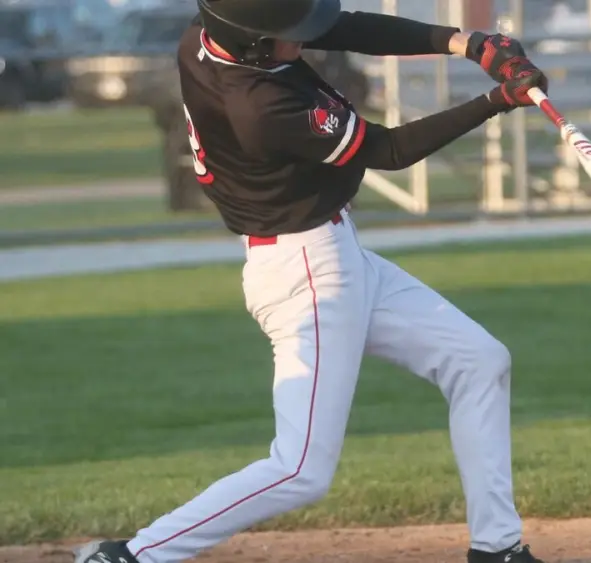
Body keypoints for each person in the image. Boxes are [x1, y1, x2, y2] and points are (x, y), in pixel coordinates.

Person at [70, 2, 549, 563]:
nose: (304, 42)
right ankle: (135, 556)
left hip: (336, 253)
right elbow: (389, 150)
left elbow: (341, 27)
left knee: (479, 361)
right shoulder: (262, 105)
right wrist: (496, 101)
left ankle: (496, 547)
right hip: (307, 273)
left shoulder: (208, 37)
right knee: (300, 469)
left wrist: (468, 43)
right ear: (251, 44)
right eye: (287, 36)